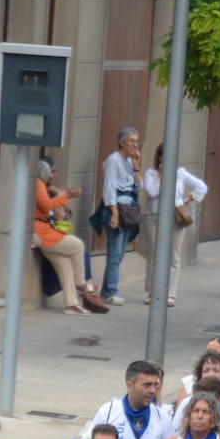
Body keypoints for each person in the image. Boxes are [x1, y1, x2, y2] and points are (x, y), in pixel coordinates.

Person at [140, 143, 208, 307]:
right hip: (154, 217)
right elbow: (152, 192)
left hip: (175, 217)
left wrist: (189, 199)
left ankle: (170, 294)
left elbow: (202, 187)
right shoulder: (151, 173)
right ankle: (152, 292)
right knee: (154, 256)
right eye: (165, 156)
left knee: (174, 255)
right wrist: (162, 175)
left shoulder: (181, 173)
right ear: (160, 157)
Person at [85, 360, 174, 439]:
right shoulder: (108, 412)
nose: (153, 391)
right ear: (130, 385)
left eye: (155, 385)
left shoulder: (162, 418)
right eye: (147, 385)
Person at [32, 155, 97, 316]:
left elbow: (49, 206)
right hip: (41, 232)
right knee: (78, 245)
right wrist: (65, 196)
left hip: (42, 231)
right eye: (51, 172)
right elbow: (46, 205)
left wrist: (61, 195)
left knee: (65, 264)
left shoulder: (42, 185)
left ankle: (71, 304)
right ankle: (80, 282)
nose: (53, 176)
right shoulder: (38, 184)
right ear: (44, 171)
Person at [98, 127, 142, 307]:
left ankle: (107, 290)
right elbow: (109, 187)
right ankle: (111, 292)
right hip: (116, 209)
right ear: (121, 142)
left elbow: (140, 186)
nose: (134, 144)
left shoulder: (130, 162)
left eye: (136, 141)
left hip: (128, 210)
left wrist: (137, 165)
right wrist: (114, 212)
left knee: (120, 252)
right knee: (115, 253)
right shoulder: (113, 160)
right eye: (131, 141)